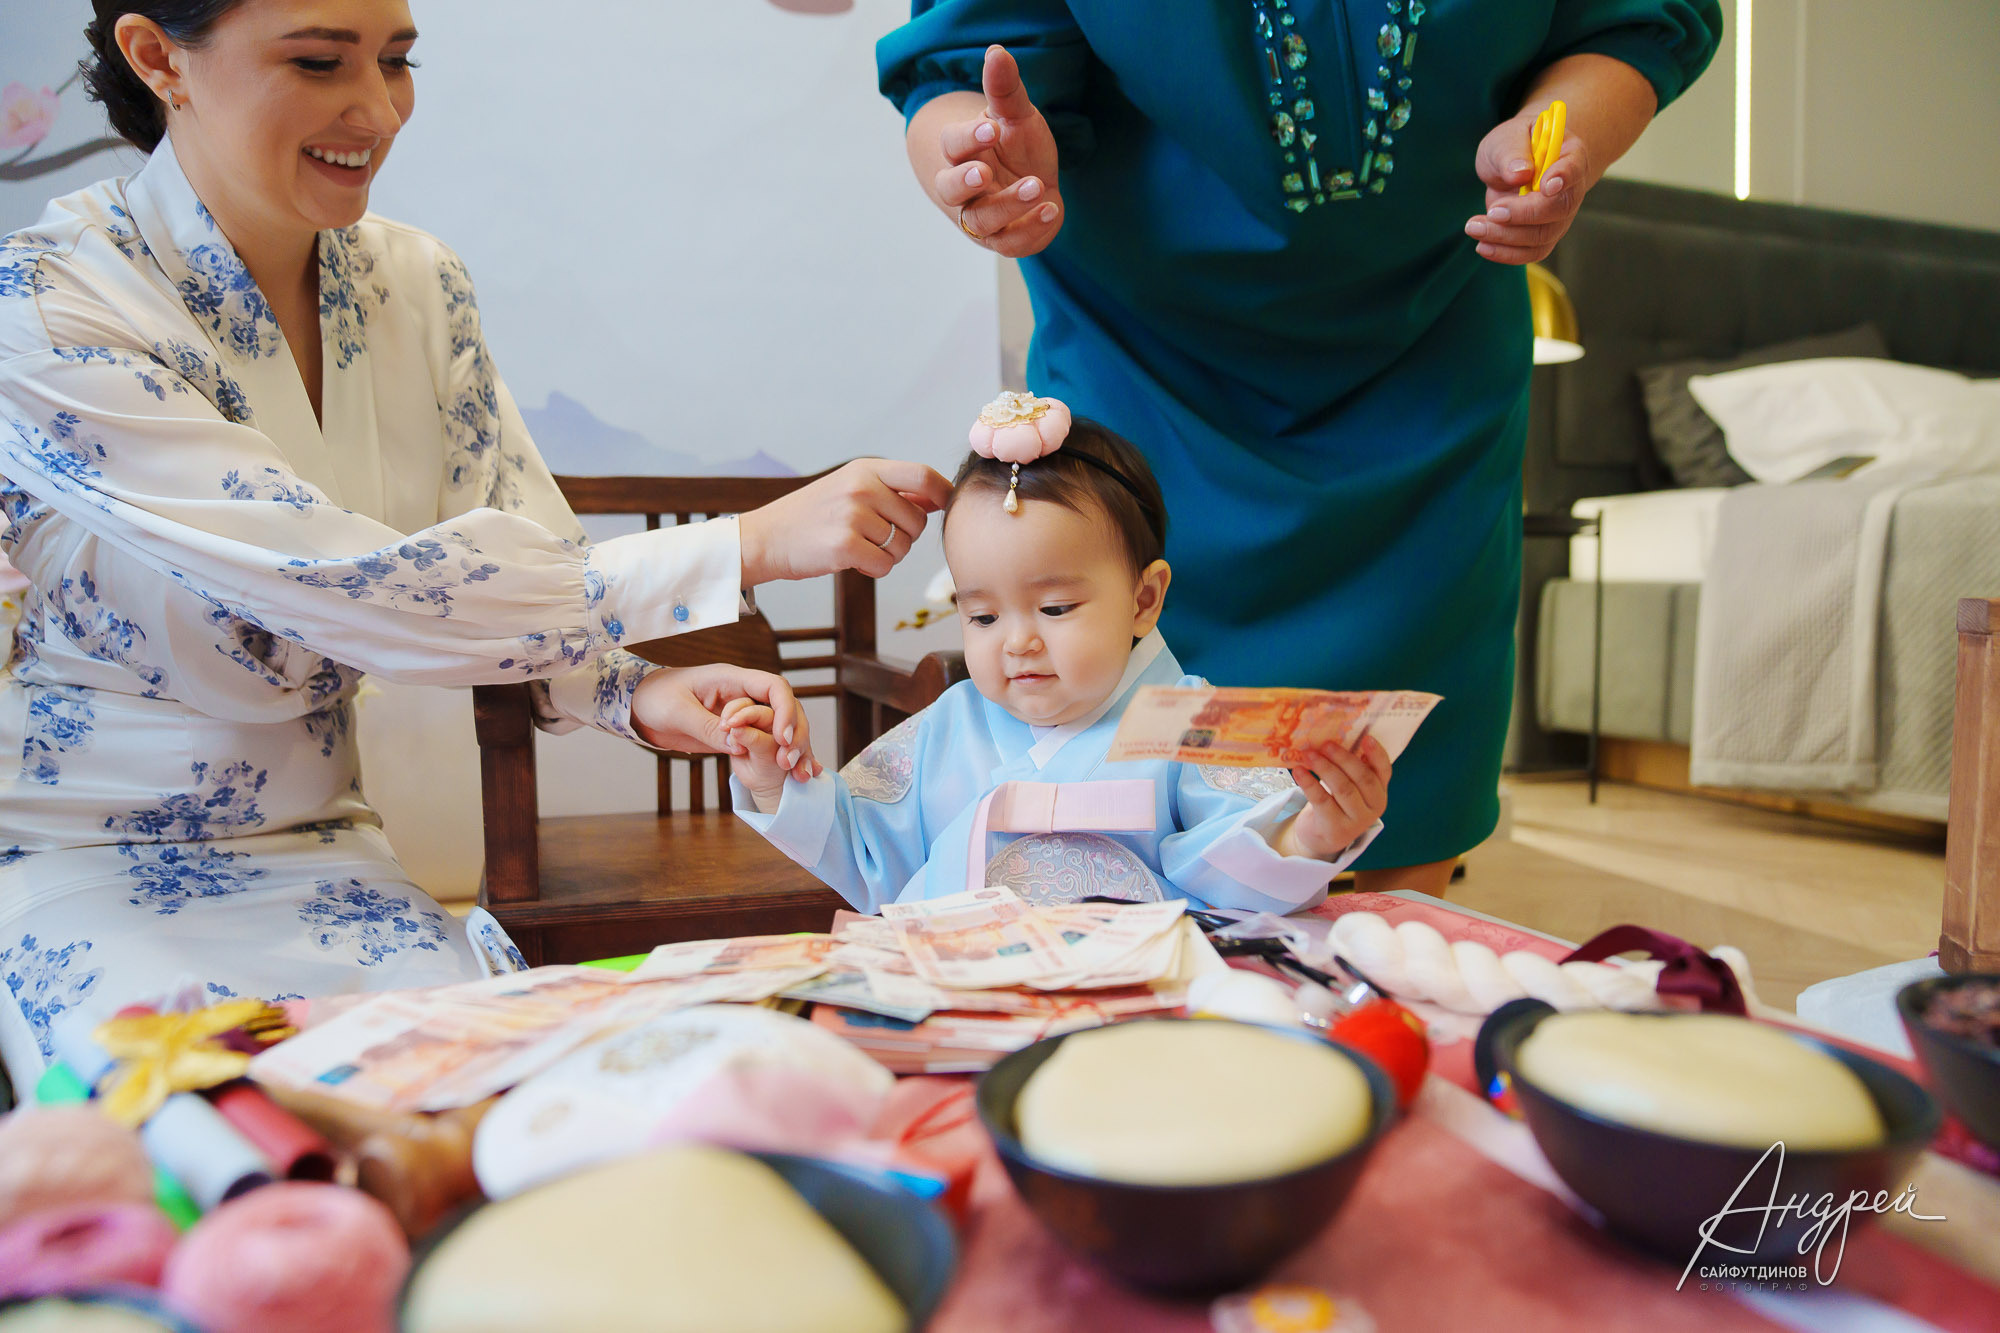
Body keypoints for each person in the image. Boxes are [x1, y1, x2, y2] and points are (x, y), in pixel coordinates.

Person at [0, 0, 948, 1078]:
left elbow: (522, 548)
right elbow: (345, 586)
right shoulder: (51, 302)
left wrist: (632, 691)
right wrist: (746, 545)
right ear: (157, 57)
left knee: (484, 1093)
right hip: (91, 860)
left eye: (397, 60)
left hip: (326, 844)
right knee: (198, 1132)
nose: (377, 111)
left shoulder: (415, 284)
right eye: (318, 62)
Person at [878, 2, 1723, 897]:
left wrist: (1561, 131)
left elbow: (1633, 20)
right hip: (1146, 369)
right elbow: (959, 69)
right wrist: (976, 159)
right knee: (1128, 817)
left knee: (1405, 791)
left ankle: (1387, 969)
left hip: (1427, 360)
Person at [725, 394, 1391, 913]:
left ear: (1144, 599)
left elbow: (1238, 856)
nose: (1018, 641)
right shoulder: (949, 725)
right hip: (960, 988)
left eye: (1055, 609)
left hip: (1128, 997)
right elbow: (864, 848)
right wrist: (772, 778)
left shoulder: (1191, 722)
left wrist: (1309, 836)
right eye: (983, 616)